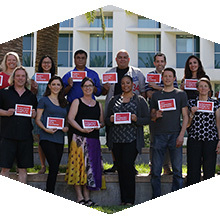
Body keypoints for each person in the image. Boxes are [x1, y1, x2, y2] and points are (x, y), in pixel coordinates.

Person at [105, 75, 150, 205]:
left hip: (132, 139)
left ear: (132, 84)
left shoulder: (139, 100)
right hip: (117, 139)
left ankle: (130, 200)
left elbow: (146, 120)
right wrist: (111, 120)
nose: (125, 85)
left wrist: (137, 120)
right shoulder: (114, 100)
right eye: (123, 83)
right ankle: (123, 200)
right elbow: (107, 120)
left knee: (128, 166)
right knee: (120, 168)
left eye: (128, 83)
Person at [102, 49, 146, 173]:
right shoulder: (109, 73)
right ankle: (116, 164)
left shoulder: (138, 73)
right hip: (114, 108)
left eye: (125, 57)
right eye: (120, 57)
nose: (122, 59)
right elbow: (103, 92)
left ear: (129, 59)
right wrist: (104, 88)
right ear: (116, 59)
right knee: (112, 135)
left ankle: (130, 164)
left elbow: (142, 92)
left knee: (134, 137)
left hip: (132, 110)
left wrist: (142, 109)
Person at [65, 77, 104, 206]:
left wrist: (99, 125)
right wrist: (81, 129)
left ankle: (87, 197)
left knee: (89, 169)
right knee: (78, 167)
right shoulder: (77, 101)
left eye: (90, 85)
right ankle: (79, 197)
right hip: (79, 139)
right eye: (85, 86)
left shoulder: (98, 104)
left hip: (93, 140)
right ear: (82, 88)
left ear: (93, 88)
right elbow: (70, 119)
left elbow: (102, 122)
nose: (88, 88)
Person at [150, 67, 188, 199]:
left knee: (177, 171)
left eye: (169, 76)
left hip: (175, 135)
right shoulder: (156, 96)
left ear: (174, 78)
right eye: (165, 76)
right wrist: (156, 115)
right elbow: (152, 117)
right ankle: (156, 197)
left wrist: (182, 135)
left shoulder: (180, 94)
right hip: (159, 135)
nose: (167, 78)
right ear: (162, 78)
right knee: (155, 171)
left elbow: (185, 116)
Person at [0, 66, 37, 184]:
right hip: (7, 136)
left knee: (23, 169)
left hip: (25, 136)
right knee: (5, 168)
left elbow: (35, 113)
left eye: (23, 76)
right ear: (13, 78)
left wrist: (34, 114)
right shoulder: (4, 93)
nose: (20, 78)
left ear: (26, 78)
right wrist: (6, 113)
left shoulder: (31, 96)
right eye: (18, 76)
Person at [62, 49, 102, 151]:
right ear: (74, 59)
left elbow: (98, 92)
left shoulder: (93, 74)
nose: (80, 60)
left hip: (89, 109)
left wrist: (91, 84)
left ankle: (90, 163)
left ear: (86, 60)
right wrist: (69, 86)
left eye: (83, 58)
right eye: (78, 58)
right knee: (73, 137)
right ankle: (73, 161)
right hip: (73, 108)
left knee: (90, 137)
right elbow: (61, 94)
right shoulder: (68, 75)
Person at [35, 76, 68, 194]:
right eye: (53, 84)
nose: (55, 87)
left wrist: (66, 128)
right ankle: (50, 192)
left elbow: (67, 121)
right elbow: (38, 119)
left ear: (61, 87)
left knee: (55, 168)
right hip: (46, 137)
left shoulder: (64, 102)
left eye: (58, 84)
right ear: (49, 86)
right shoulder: (44, 100)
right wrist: (46, 129)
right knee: (54, 166)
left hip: (59, 139)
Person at [146, 53, 178, 175]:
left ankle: (166, 167)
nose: (160, 63)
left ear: (165, 62)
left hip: (169, 114)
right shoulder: (150, 75)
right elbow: (148, 94)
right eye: (157, 61)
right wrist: (163, 90)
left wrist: (156, 88)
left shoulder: (170, 74)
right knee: (154, 141)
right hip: (154, 113)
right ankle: (152, 167)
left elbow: (174, 92)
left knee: (169, 143)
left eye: (162, 61)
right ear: (154, 63)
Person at [187, 77, 220, 186]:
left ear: (209, 88)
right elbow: (187, 124)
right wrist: (191, 114)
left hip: (211, 139)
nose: (203, 88)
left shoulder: (215, 103)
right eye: (200, 86)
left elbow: (218, 123)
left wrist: (219, 140)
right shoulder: (191, 102)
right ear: (197, 88)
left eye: (205, 86)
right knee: (193, 169)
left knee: (209, 170)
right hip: (194, 139)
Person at [31, 55, 56, 174]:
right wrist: (33, 89)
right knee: (41, 140)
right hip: (39, 110)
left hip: (51, 111)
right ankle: (42, 165)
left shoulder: (55, 78)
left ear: (52, 65)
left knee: (51, 139)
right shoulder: (35, 77)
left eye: (49, 62)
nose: (46, 64)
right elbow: (31, 94)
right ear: (40, 64)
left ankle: (53, 164)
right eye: (44, 62)